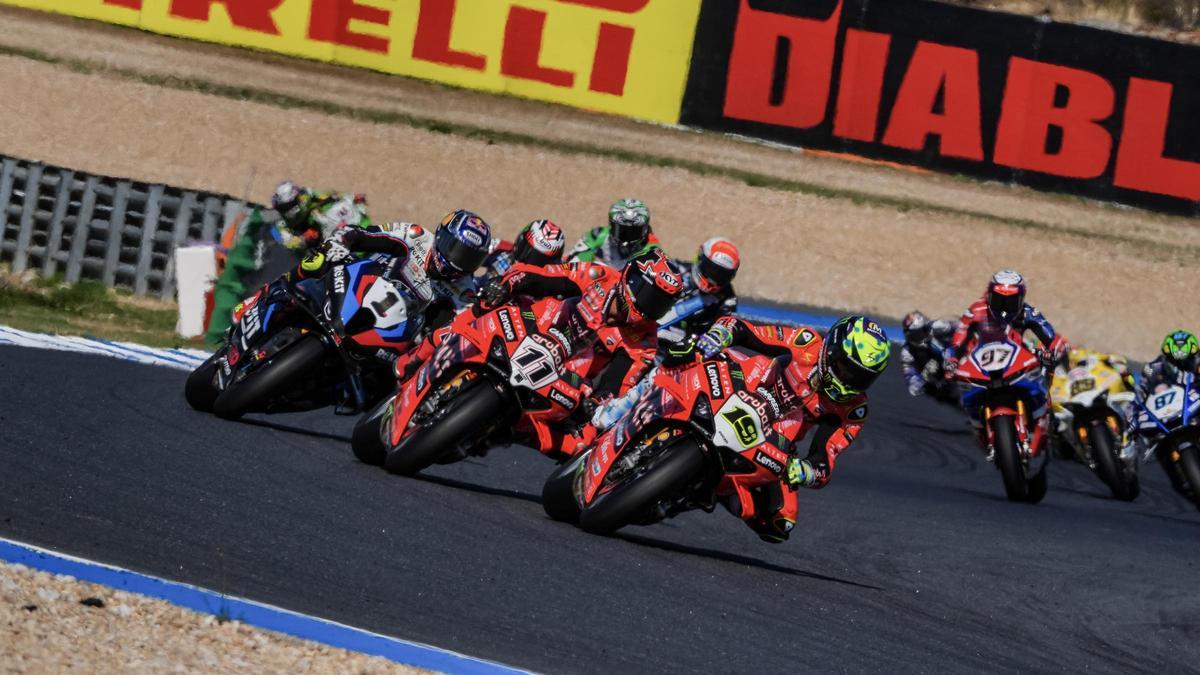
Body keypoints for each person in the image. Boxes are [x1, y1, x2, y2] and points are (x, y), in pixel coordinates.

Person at [664, 315, 890, 543]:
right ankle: (647, 394)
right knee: (690, 353)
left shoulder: (853, 409)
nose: (849, 381)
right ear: (831, 350)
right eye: (846, 368)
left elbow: (824, 461)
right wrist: (719, 335)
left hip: (774, 437)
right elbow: (745, 329)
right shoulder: (806, 342)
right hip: (746, 383)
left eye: (861, 378)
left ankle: (710, 491)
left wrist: (805, 471)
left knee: (781, 522)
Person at [472, 249, 684, 456]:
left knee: (585, 442)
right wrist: (506, 284)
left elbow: (617, 385)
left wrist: (595, 404)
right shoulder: (599, 276)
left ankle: (511, 432)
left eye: (660, 304)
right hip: (530, 329)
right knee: (482, 308)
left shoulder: (645, 340)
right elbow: (545, 275)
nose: (650, 308)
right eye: (649, 296)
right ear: (632, 279)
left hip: (563, 376)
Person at [944, 270, 1068, 456]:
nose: (1004, 308)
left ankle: (1048, 416)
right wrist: (951, 360)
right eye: (999, 300)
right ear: (990, 296)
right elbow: (957, 340)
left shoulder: (1029, 312)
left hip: (1020, 361)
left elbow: (1052, 337)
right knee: (963, 386)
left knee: (1051, 371)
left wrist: (1053, 351)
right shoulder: (976, 311)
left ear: (1021, 299)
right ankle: (979, 427)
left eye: (1010, 302)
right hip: (985, 363)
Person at [657, 237, 740, 348]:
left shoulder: (728, 298)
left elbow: (725, 328)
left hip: (685, 347)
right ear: (700, 259)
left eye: (722, 276)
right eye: (711, 270)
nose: (713, 280)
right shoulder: (674, 269)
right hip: (650, 330)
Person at [270, 179, 371, 251]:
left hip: (351, 228)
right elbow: (285, 242)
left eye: (286, 207)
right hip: (314, 252)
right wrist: (303, 239)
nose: (285, 211)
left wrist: (353, 197)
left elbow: (333, 195)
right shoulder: (280, 224)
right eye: (282, 208)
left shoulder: (307, 195)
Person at [567, 198, 661, 268]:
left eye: (634, 231)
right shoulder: (598, 235)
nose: (627, 238)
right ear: (611, 224)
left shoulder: (652, 248)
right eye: (622, 230)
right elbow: (572, 260)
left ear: (645, 229)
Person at [479, 219, 567, 283]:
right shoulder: (500, 248)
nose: (530, 263)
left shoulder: (550, 288)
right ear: (520, 241)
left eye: (540, 261)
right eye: (527, 252)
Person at [900, 310, 957, 402]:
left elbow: (960, 327)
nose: (918, 337)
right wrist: (924, 375)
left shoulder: (937, 325)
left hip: (956, 356)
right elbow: (912, 384)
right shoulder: (907, 352)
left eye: (919, 332)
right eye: (913, 334)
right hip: (938, 379)